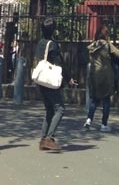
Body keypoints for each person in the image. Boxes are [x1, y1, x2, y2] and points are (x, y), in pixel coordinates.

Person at [35, 16, 76, 152]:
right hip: (50, 80)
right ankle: (49, 137)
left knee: (49, 109)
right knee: (60, 108)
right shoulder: (52, 44)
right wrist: (68, 78)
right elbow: (60, 63)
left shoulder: (40, 42)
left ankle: (43, 139)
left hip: (41, 79)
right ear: (53, 30)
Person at [85, 22, 119, 132]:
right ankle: (104, 124)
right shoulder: (107, 45)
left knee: (94, 99)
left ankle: (88, 119)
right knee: (106, 100)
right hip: (106, 75)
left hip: (94, 75)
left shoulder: (92, 45)